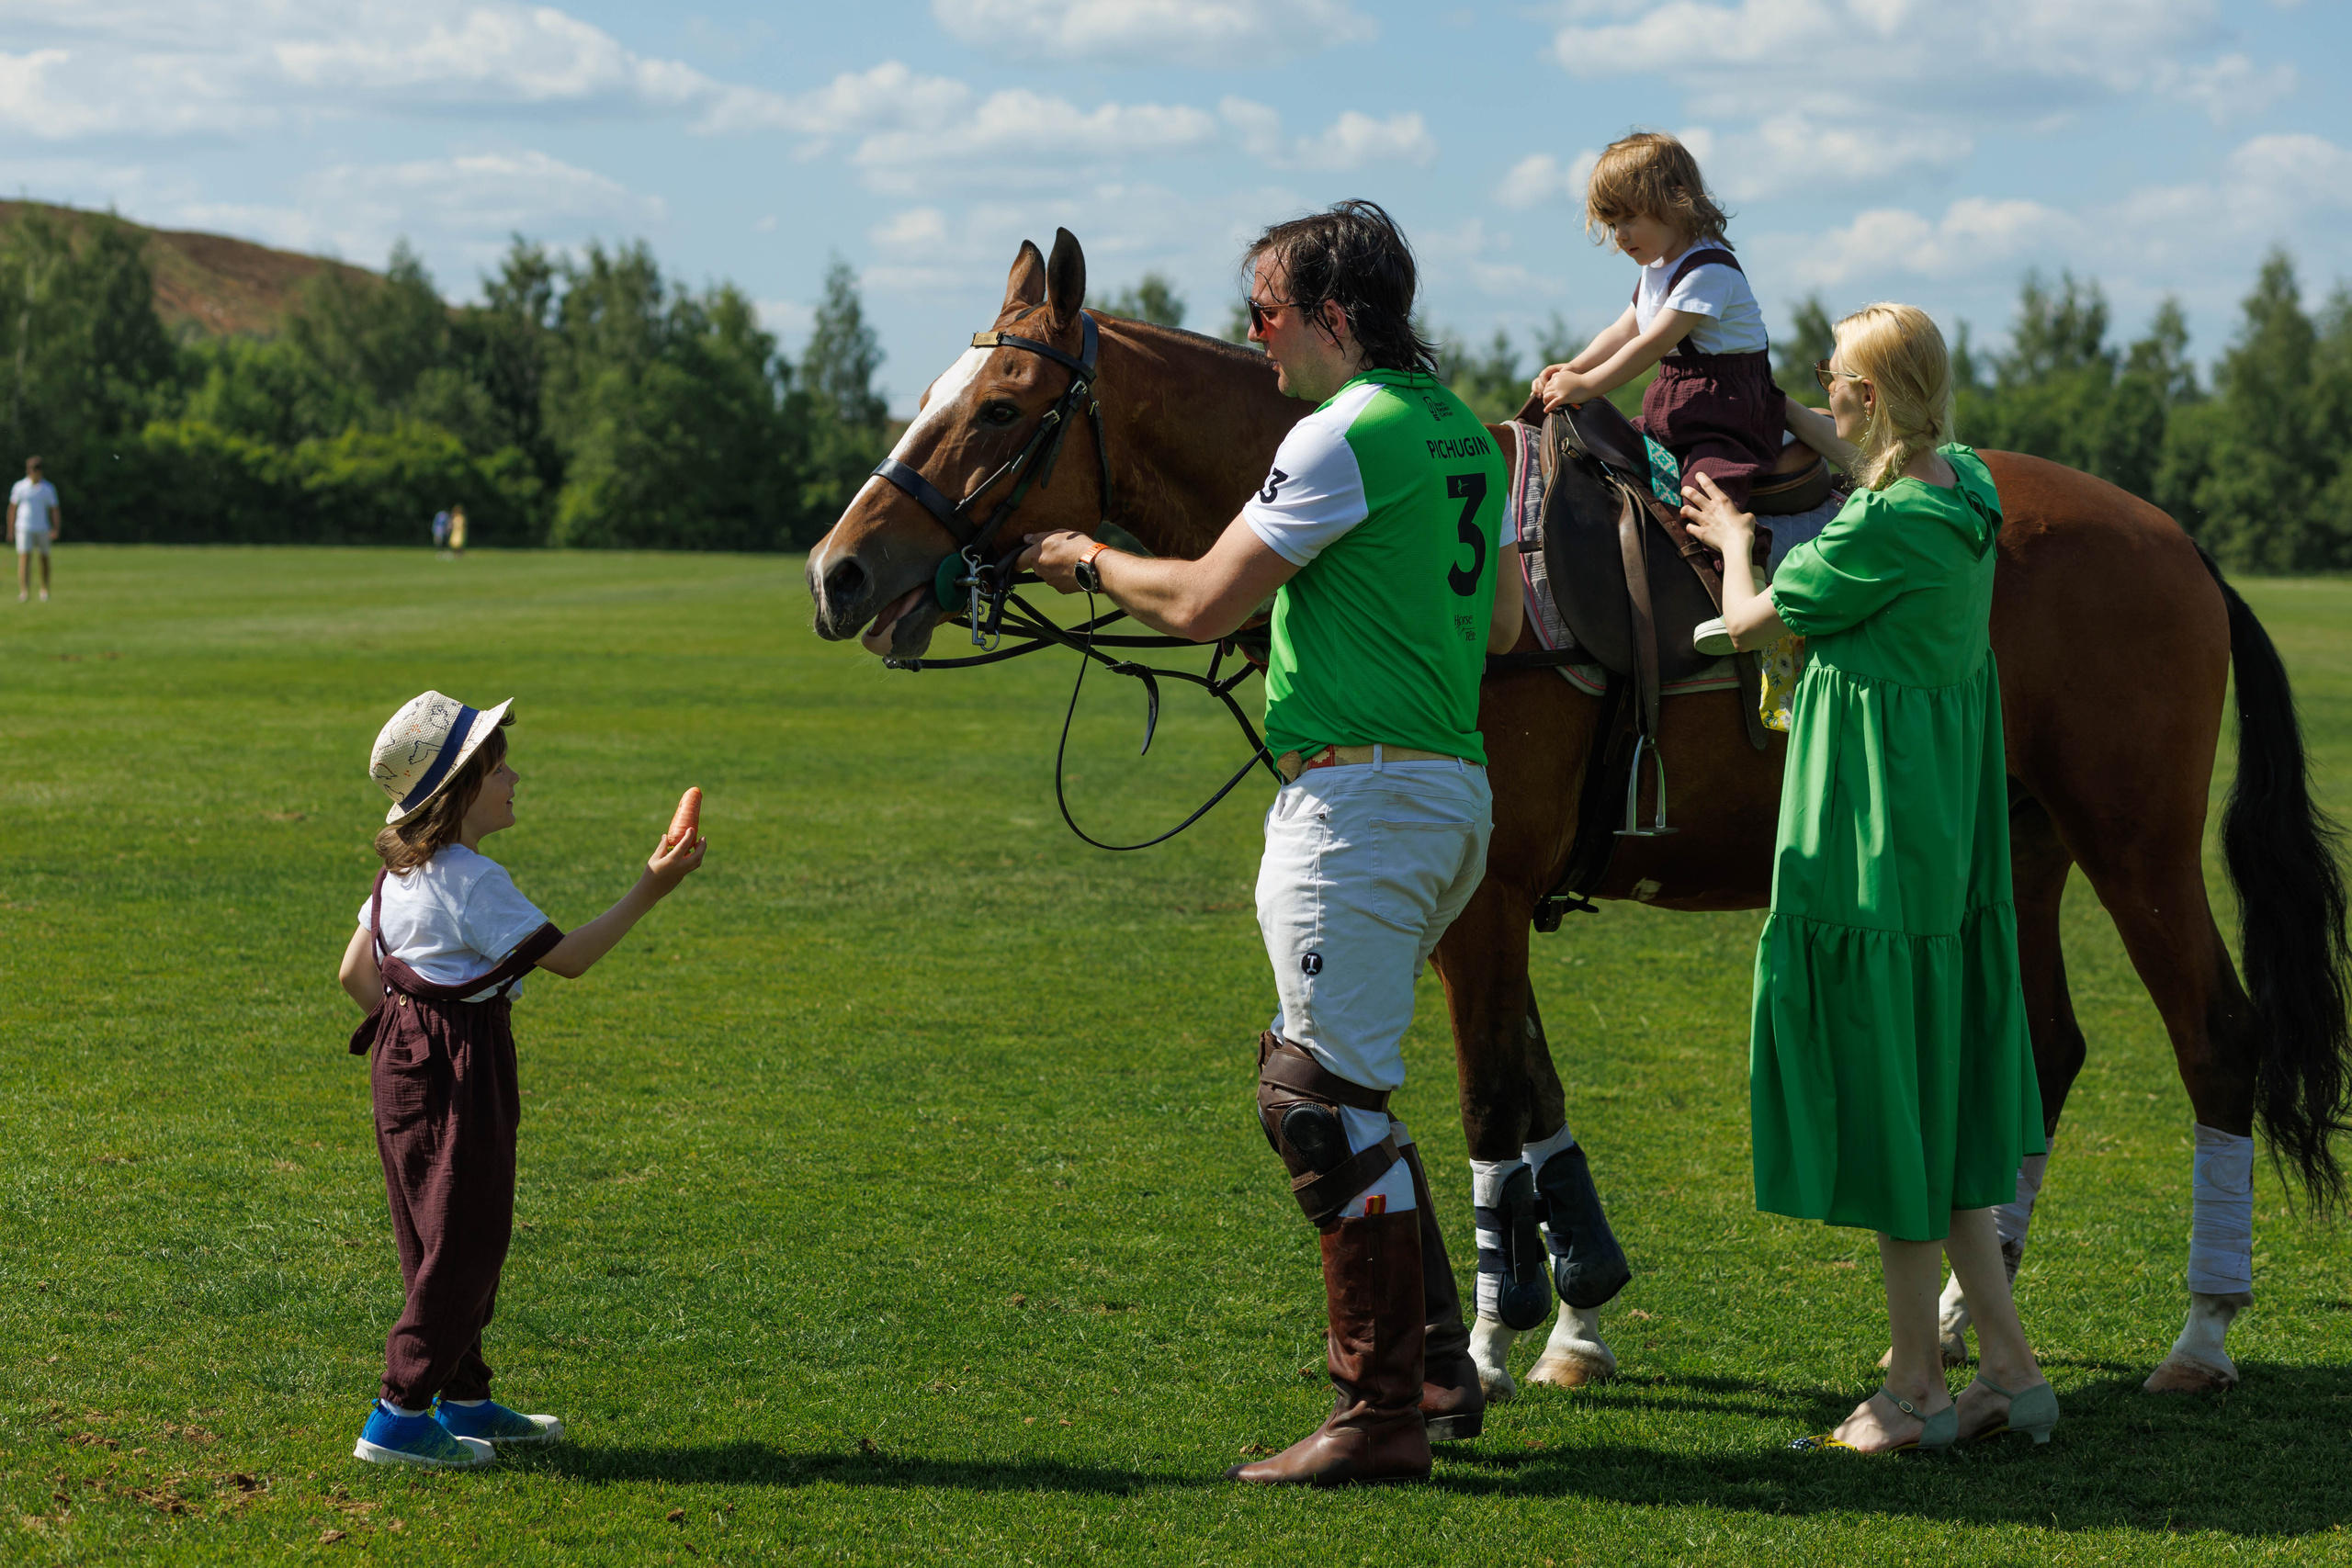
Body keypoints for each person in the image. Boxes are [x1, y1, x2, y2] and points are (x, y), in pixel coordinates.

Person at [1021, 200, 1521, 1487]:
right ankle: (1433, 1369)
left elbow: (1194, 601)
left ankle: (1375, 1412)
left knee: (1318, 1103)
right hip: (1448, 796)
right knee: (1345, 1085)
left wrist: (1080, 554)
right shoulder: (1462, 429)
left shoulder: (1340, 433)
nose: (1256, 341)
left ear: (1335, 319)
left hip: (1361, 809)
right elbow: (1508, 625)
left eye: (1267, 314)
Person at [1682, 303, 2058, 1453]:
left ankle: (1914, 1389)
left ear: (1871, 399)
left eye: (1830, 380)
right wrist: (1772, 409)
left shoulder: (1874, 530)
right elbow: (1868, 453)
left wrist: (1733, 534)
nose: (1822, 391)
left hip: (1869, 837)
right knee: (1937, 1096)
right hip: (1941, 840)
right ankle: (2008, 1370)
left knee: (1892, 1097)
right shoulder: (1970, 494)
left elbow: (1745, 626)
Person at [338, 692, 706, 1469]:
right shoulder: (473, 879)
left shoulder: (400, 869)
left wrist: (408, 1029)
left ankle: (463, 1397)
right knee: (468, 1239)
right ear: (461, 789)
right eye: (498, 765)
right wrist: (653, 885)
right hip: (461, 1064)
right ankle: (398, 1415)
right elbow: (567, 958)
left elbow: (352, 973)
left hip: (400, 1061)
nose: (515, 775)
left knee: (432, 1236)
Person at [1530, 131, 1783, 508]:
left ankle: (1738, 561)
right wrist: (1574, 366)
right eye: (1613, 223)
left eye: (1630, 218)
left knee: (1706, 501)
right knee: (1609, 462)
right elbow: (1623, 330)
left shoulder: (1708, 271)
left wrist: (1585, 385)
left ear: (1675, 202)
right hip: (1676, 412)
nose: (1620, 235)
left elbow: (1651, 344)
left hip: (1726, 418)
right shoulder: (1658, 266)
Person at [10, 455, 61, 604]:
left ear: (40, 471)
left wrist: (55, 528)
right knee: (24, 558)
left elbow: (54, 510)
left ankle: (44, 589)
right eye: (31, 469)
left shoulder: (48, 488)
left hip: (42, 527)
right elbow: (13, 508)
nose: (33, 472)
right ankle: (24, 591)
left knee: (44, 558)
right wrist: (10, 529)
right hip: (23, 527)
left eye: (36, 469)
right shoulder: (20, 487)